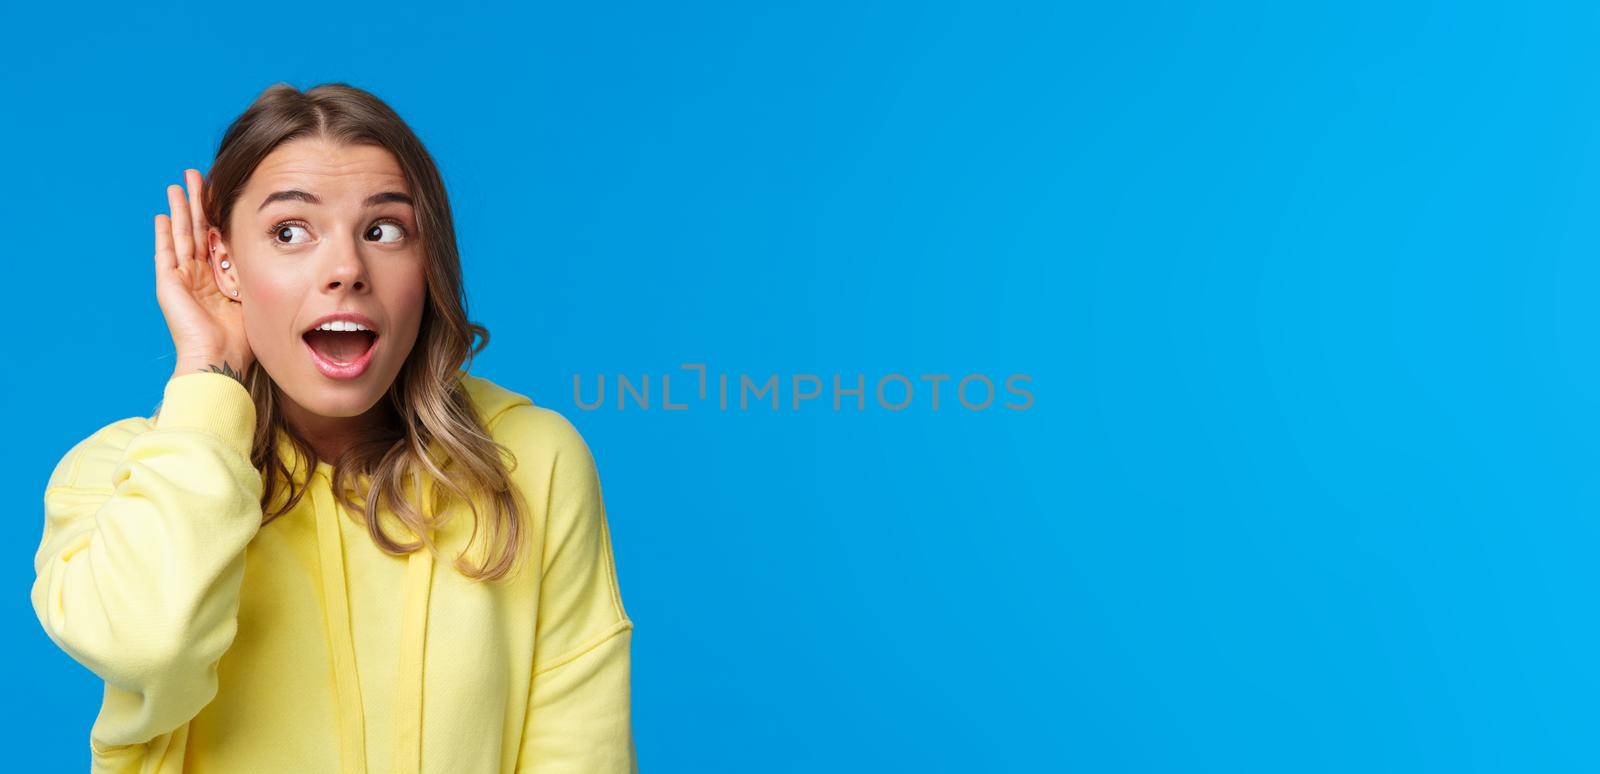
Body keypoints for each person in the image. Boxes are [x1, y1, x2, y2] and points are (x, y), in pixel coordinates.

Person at [29, 82, 635, 773]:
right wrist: (207, 375)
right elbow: (146, 645)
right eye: (290, 232)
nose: (346, 269)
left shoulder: (532, 460)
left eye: (383, 231)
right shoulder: (115, 475)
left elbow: (581, 752)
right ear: (224, 263)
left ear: (426, 261)